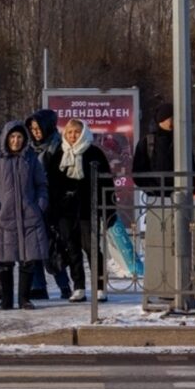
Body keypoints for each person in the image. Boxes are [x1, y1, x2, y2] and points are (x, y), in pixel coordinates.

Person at [45, 118, 115, 302]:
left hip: (88, 208)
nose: (73, 136)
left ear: (83, 133)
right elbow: (51, 184)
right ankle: (79, 286)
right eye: (69, 132)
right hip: (65, 211)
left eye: (76, 132)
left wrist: (109, 209)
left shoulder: (94, 153)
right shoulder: (59, 154)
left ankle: (100, 286)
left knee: (91, 247)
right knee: (72, 248)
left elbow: (106, 182)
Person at [0, 121, 50, 310]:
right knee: (5, 260)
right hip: (4, 217)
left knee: (28, 260)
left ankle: (24, 299)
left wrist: (39, 206)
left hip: (29, 217)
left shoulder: (31, 159)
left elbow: (41, 185)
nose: (16, 140)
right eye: (12, 137)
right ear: (6, 138)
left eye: (19, 137)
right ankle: (6, 299)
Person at [25, 109, 72, 299]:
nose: (36, 132)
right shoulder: (28, 149)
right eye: (33, 128)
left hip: (55, 204)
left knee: (53, 247)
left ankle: (64, 285)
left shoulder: (60, 147)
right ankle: (38, 286)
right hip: (33, 203)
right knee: (33, 246)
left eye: (39, 128)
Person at [132, 102, 175, 196]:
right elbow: (137, 171)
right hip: (154, 196)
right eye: (172, 117)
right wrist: (149, 188)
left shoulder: (180, 141)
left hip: (178, 194)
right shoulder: (147, 141)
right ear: (163, 119)